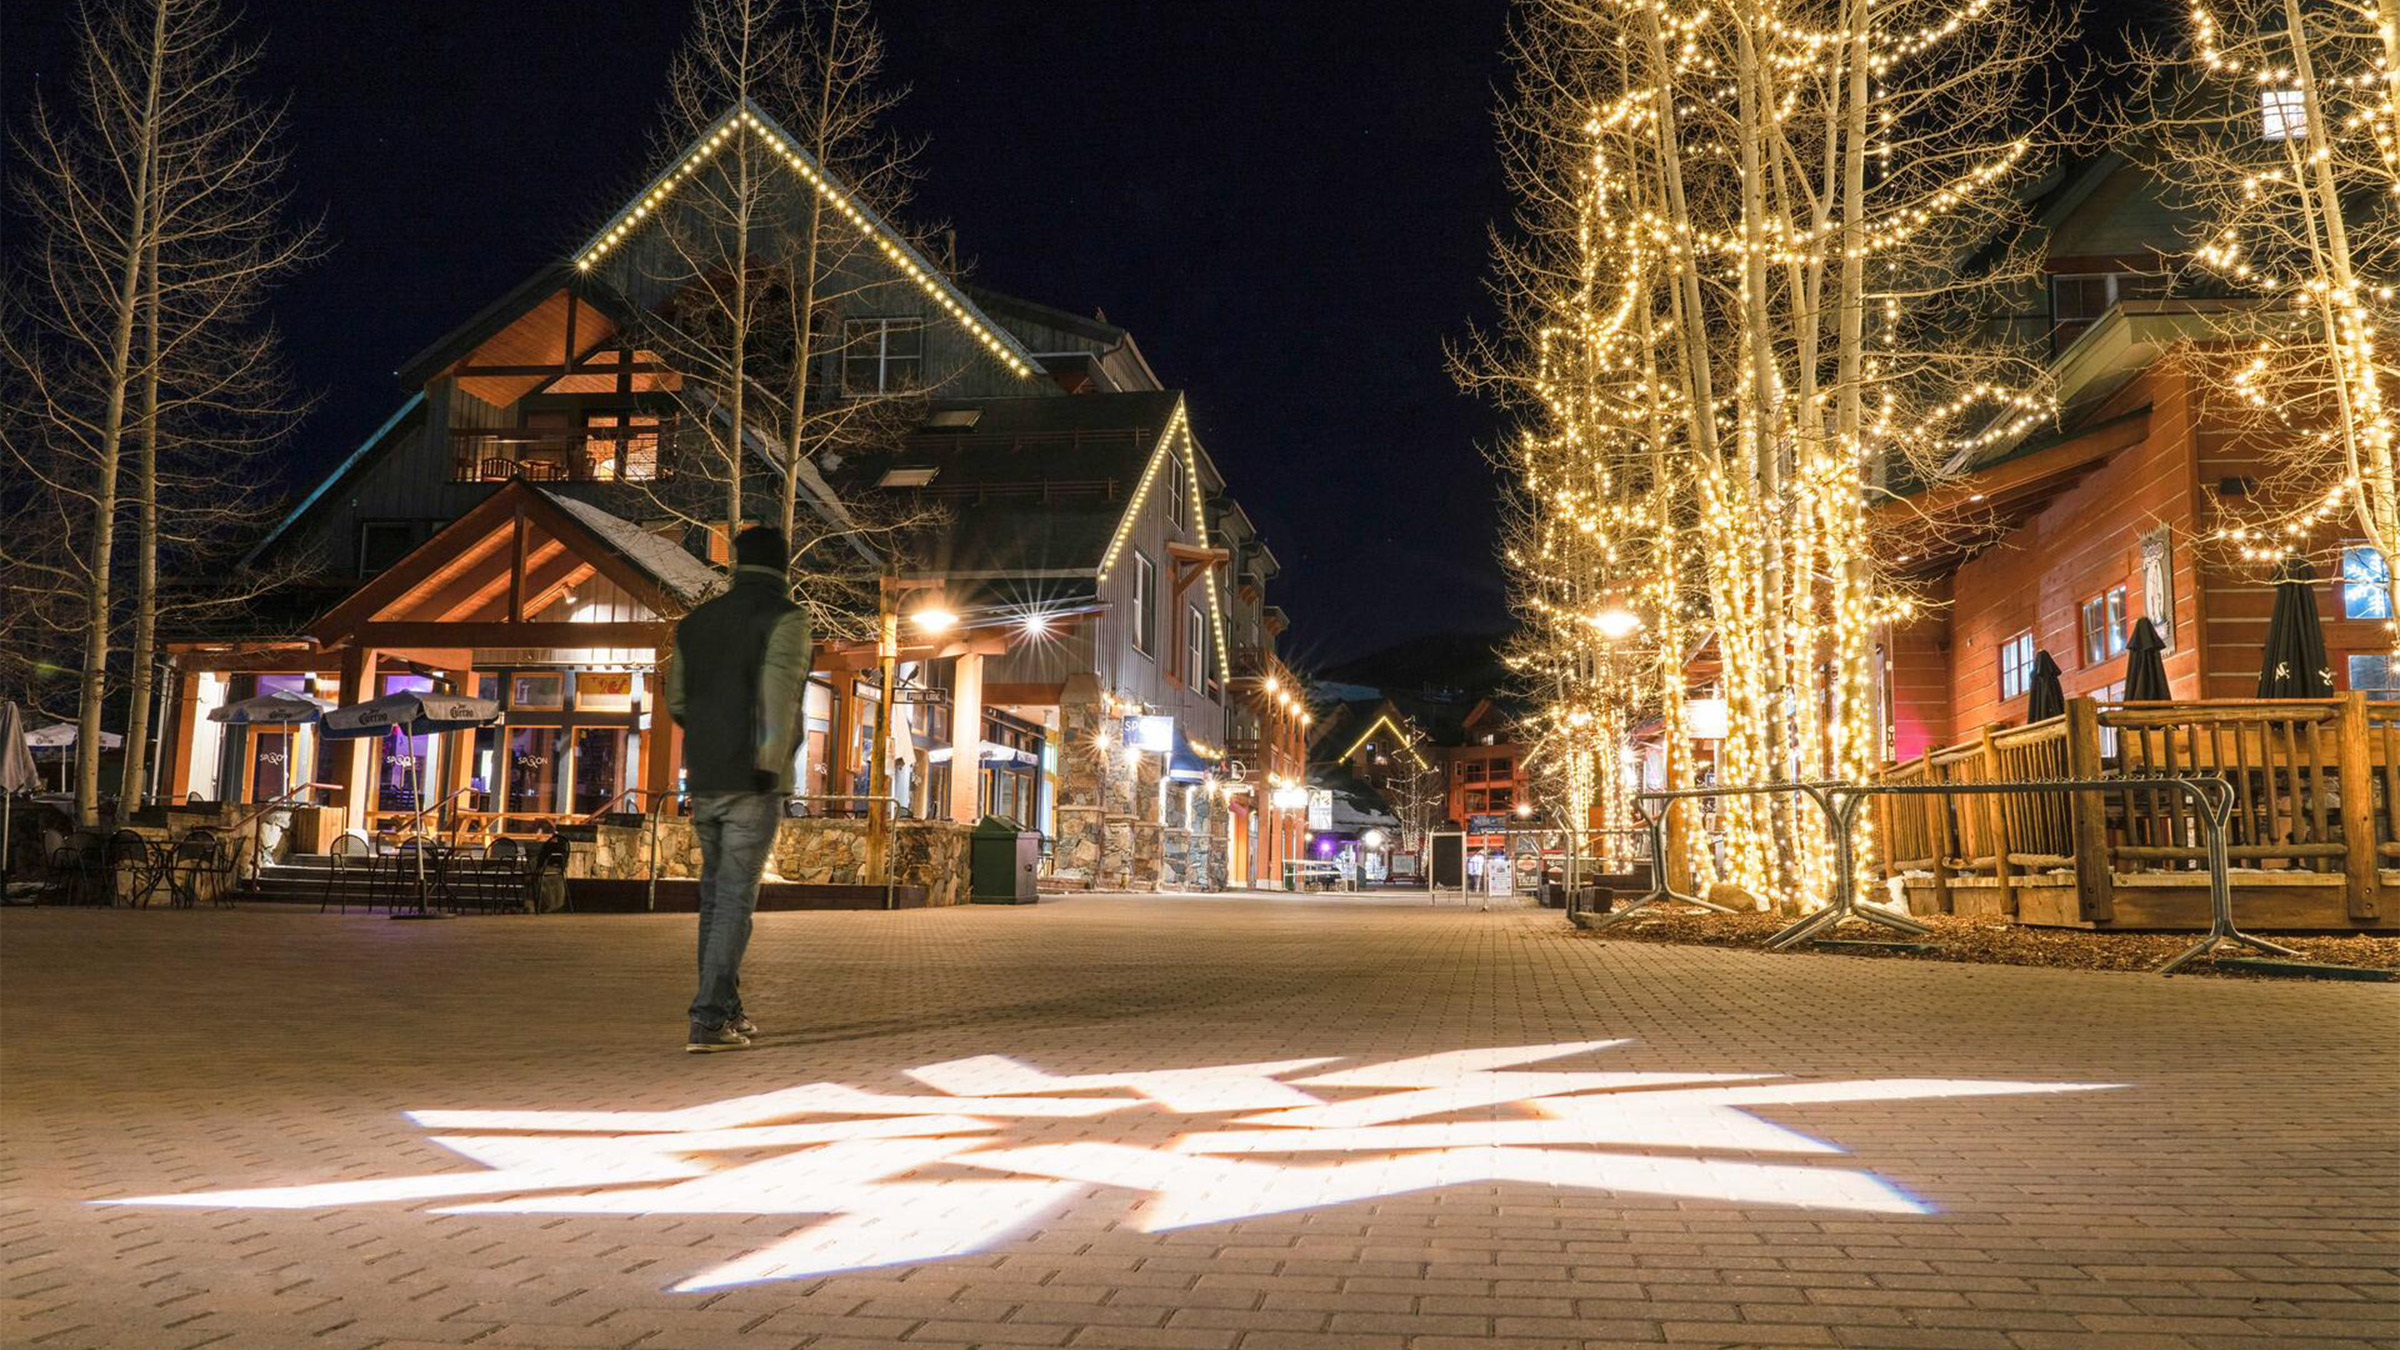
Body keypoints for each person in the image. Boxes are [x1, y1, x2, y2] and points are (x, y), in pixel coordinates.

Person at [665, 525, 813, 1052]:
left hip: (705, 778)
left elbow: (677, 701)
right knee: (733, 902)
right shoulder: (786, 619)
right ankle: (707, 1018)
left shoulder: (695, 623)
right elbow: (779, 696)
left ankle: (726, 1008)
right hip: (753, 779)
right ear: (783, 568)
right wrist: (769, 766)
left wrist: (710, 741)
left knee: (714, 900)